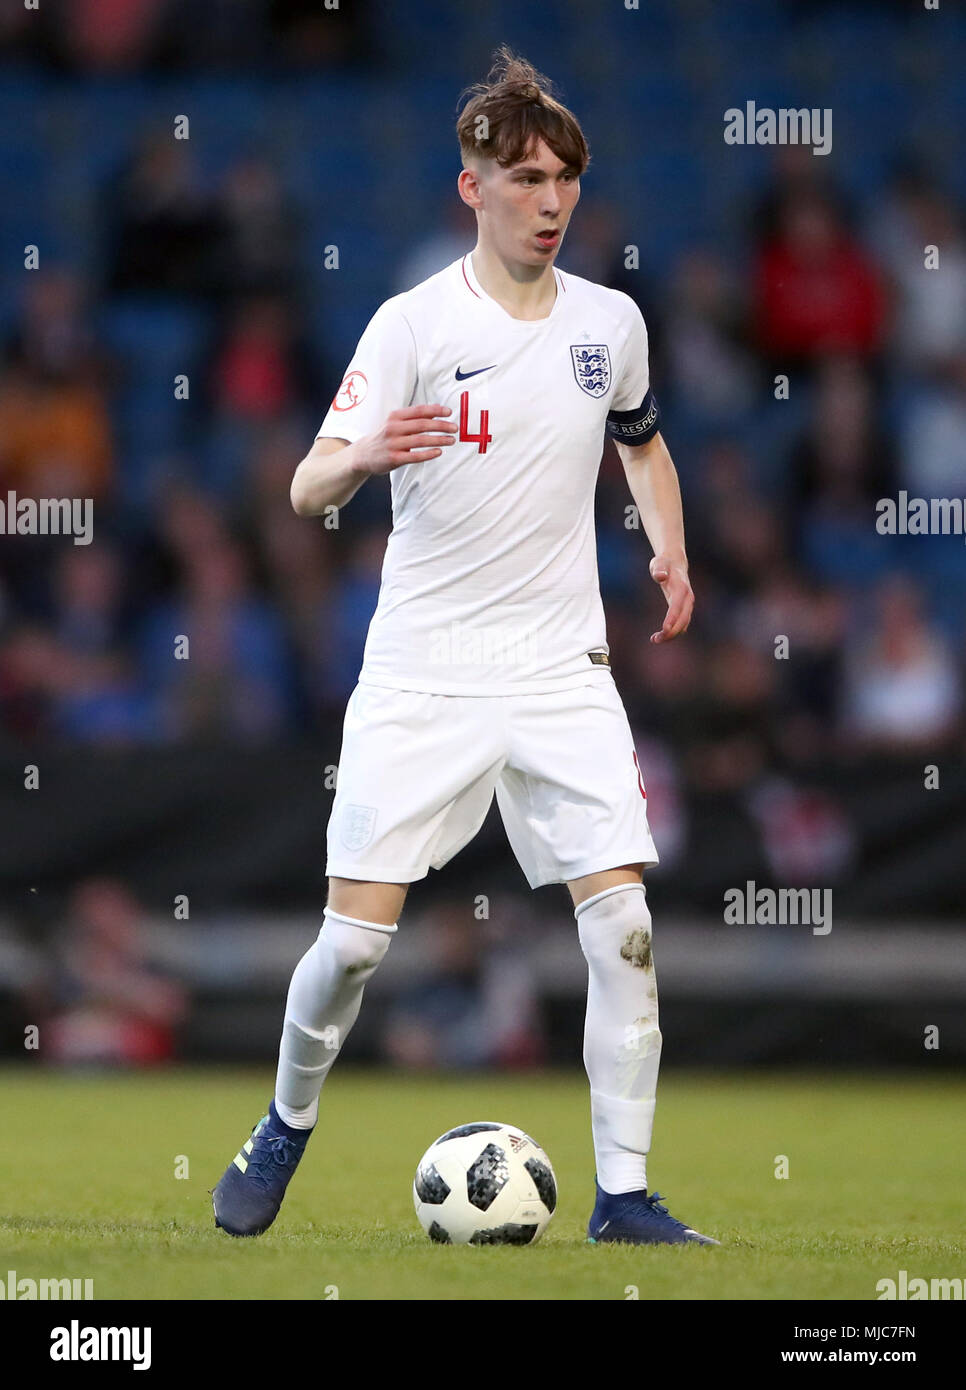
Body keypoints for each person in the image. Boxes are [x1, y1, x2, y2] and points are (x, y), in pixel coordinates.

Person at [213, 48, 716, 1247]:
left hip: (561, 669)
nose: (551, 201)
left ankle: (626, 1197)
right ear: (472, 188)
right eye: (529, 177)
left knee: (625, 929)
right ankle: (283, 1123)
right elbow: (302, 489)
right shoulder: (412, 325)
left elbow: (640, 444)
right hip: (425, 668)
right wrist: (369, 451)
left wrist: (670, 549)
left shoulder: (612, 324)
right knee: (349, 948)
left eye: (567, 180)